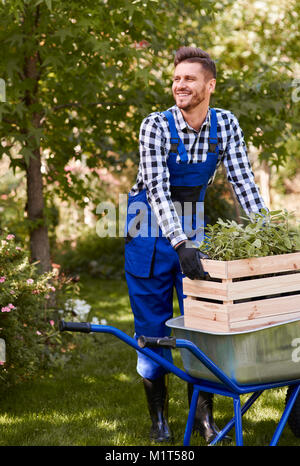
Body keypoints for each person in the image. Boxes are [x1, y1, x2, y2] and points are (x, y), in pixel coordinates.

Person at [124, 46, 267, 444]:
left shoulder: (226, 125)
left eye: (189, 78)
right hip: (147, 230)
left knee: (203, 326)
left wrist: (268, 232)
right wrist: (180, 242)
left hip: (192, 231)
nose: (179, 85)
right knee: (151, 328)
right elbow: (156, 190)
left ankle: (204, 419)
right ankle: (159, 421)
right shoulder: (155, 125)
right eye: (176, 79)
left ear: (210, 85)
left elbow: (244, 182)